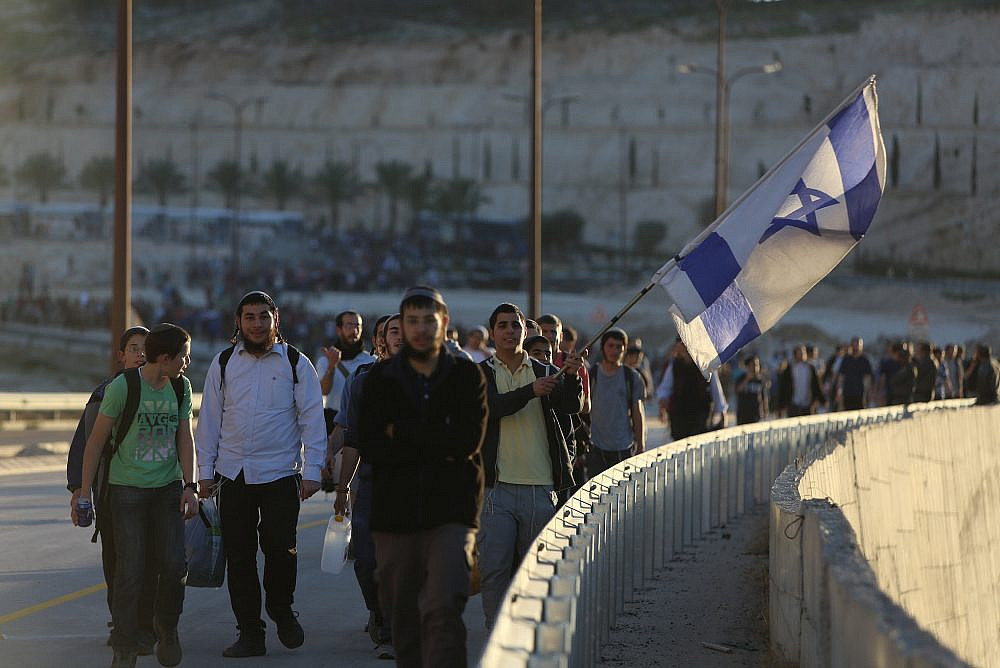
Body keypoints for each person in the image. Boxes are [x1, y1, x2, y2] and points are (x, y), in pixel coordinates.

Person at [357, 286, 488, 667]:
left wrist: (404, 431)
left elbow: (466, 441)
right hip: (395, 515)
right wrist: (436, 435)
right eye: (410, 321)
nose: (418, 329)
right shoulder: (380, 380)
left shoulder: (466, 376)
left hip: (451, 510)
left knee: (443, 607)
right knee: (405, 619)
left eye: (427, 320)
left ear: (444, 323)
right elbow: (373, 445)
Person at [195, 291, 327, 658]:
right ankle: (250, 632)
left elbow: (312, 420)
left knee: (281, 550)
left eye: (263, 317)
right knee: (239, 557)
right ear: (238, 322)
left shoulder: (297, 363)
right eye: (249, 317)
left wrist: (313, 471)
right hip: (232, 474)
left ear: (276, 321)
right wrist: (204, 473)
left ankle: (282, 609)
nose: (256, 323)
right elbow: (209, 422)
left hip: (281, 474)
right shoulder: (222, 363)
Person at [77, 323, 198, 668]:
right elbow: (95, 443)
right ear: (164, 357)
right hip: (126, 490)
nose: (187, 362)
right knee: (130, 569)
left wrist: (190, 485)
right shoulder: (123, 387)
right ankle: (125, 644)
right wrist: (84, 494)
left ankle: (167, 627)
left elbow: (184, 437)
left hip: (167, 489)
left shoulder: (181, 387)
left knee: (174, 565)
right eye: (183, 356)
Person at [477, 303, 583, 629]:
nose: (510, 331)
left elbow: (570, 406)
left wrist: (573, 377)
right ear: (492, 333)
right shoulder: (481, 374)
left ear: (526, 331)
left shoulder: (545, 371)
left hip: (540, 487)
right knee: (494, 570)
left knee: (533, 571)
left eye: (516, 325)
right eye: (503, 325)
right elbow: (487, 410)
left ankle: (526, 636)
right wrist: (529, 392)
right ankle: (499, 639)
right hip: (496, 490)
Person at [67, 326, 153, 650]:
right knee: (116, 563)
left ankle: (145, 626)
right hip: (110, 496)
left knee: (149, 563)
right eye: (134, 348)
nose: (141, 354)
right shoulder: (104, 394)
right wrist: (79, 490)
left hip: (153, 493)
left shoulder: (165, 391)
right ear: (122, 355)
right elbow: (84, 445)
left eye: (146, 348)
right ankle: (122, 624)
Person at [331, 313, 403, 660]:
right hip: (373, 483)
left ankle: (393, 631)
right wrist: (343, 489)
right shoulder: (364, 382)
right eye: (393, 331)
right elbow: (354, 438)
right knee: (366, 560)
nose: (401, 335)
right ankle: (378, 609)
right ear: (381, 340)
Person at [588, 328, 646, 475]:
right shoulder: (592, 375)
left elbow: (637, 412)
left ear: (624, 349)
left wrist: (640, 445)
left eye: (619, 346)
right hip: (596, 446)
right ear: (603, 348)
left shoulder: (632, 377)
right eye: (610, 345)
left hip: (623, 446)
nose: (614, 350)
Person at [316, 310, 376, 434]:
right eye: (349, 325)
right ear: (339, 330)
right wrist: (331, 367)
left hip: (360, 421)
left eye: (357, 325)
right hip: (331, 422)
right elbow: (323, 391)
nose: (354, 330)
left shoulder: (371, 360)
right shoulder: (325, 361)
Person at [656, 339, 727, 440]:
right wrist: (662, 407)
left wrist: (722, 413)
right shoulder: (675, 365)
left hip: (701, 413)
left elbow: (715, 389)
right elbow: (665, 389)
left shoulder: (705, 364)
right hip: (680, 415)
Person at [777, 345, 825, 417]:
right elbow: (783, 387)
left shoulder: (810, 368)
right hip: (793, 404)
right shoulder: (790, 369)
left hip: (807, 404)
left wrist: (822, 400)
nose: (802, 355)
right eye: (800, 353)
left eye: (803, 352)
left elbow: (816, 385)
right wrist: (781, 406)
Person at [832, 337, 873, 410]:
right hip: (847, 392)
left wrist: (868, 393)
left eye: (857, 345)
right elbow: (841, 376)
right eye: (854, 345)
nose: (855, 347)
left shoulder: (864, 361)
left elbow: (867, 378)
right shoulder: (846, 360)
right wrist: (839, 390)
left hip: (860, 393)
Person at [733, 355, 768, 425]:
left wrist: (765, 410)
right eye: (754, 365)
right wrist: (747, 379)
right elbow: (738, 390)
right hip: (743, 415)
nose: (756, 367)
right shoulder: (741, 378)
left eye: (757, 365)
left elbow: (764, 397)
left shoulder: (760, 380)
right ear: (748, 366)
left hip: (756, 414)